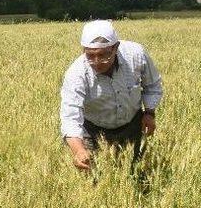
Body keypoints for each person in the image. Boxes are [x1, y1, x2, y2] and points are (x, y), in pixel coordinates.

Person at [60, 20, 163, 170]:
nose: (96, 62)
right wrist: (79, 150)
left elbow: (152, 85)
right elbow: (70, 116)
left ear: (116, 47)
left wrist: (149, 113)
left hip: (132, 124)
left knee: (133, 172)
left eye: (103, 55)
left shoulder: (136, 55)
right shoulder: (76, 74)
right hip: (93, 129)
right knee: (94, 180)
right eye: (90, 55)